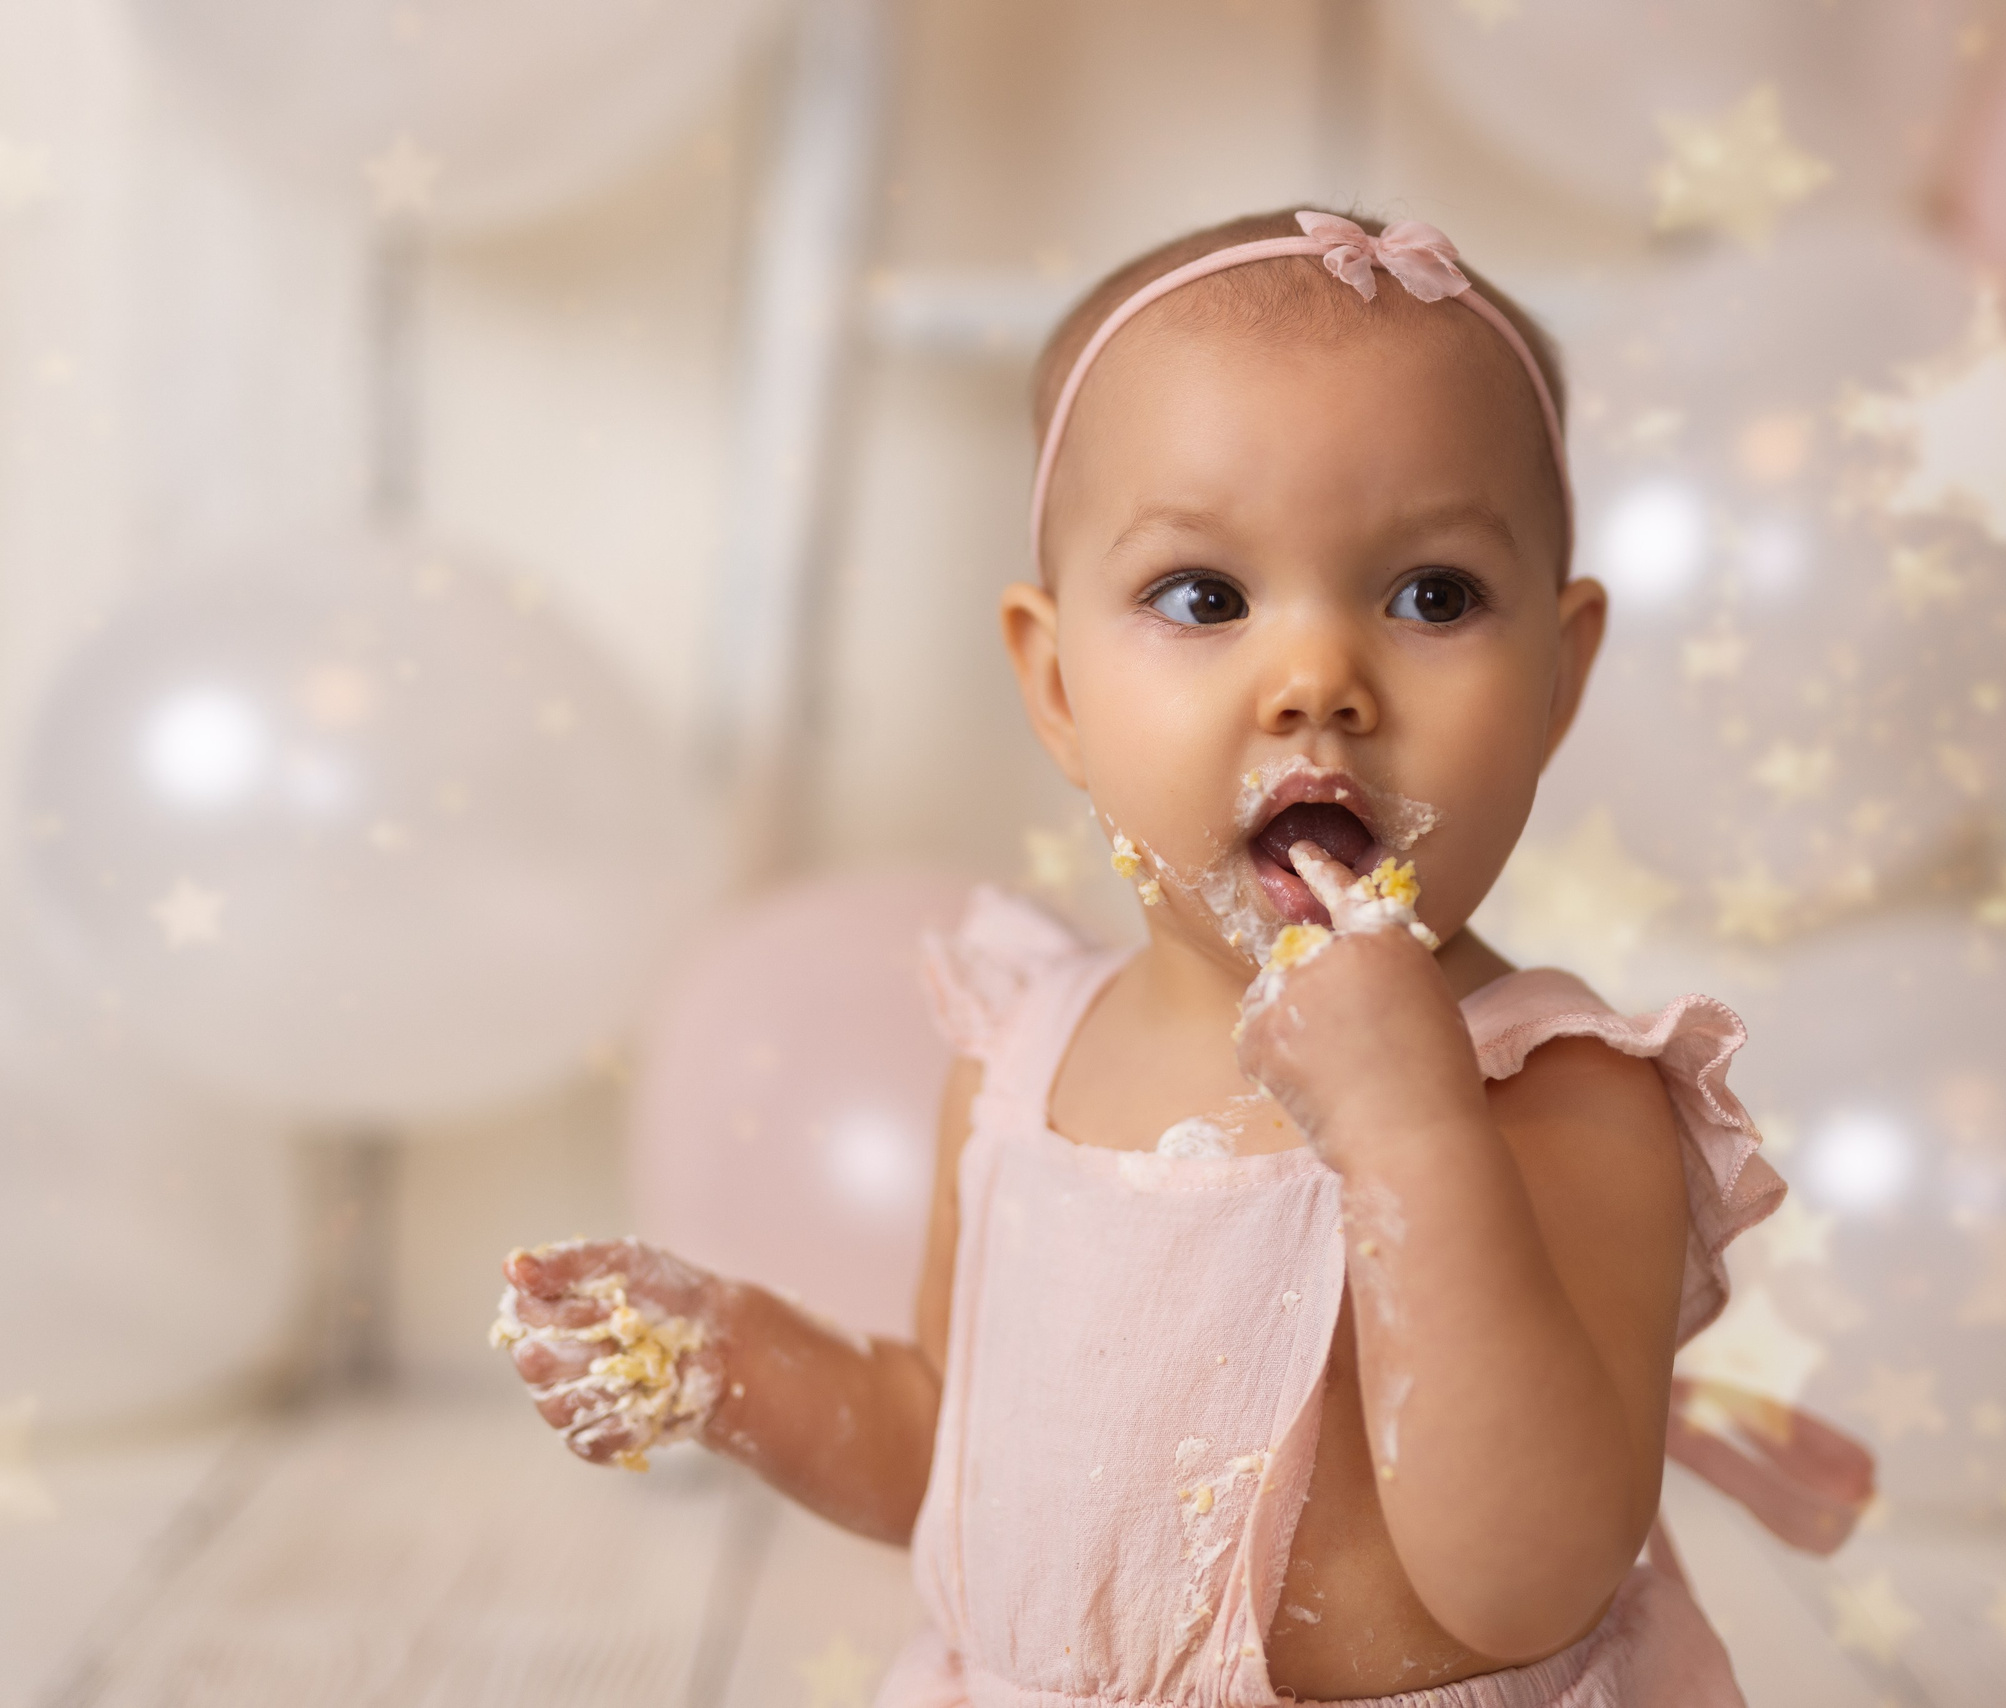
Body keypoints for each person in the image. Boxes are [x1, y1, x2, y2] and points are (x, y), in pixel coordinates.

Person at [496, 207, 1849, 1704]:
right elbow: (949, 1457)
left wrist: (1413, 1132)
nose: (1317, 679)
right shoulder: (1020, 1057)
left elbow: (1529, 1577)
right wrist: (731, 1359)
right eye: (1204, 597)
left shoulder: (1564, 1098)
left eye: (1434, 596)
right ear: (1058, 683)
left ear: (1560, 674)